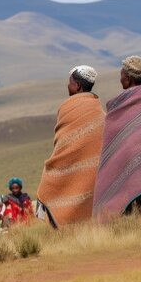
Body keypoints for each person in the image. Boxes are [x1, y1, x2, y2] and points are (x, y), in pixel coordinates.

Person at [92, 56, 141, 222]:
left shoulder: (125, 104)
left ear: (128, 78)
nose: (120, 79)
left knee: (138, 215)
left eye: (122, 76)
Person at [36, 65, 105, 228]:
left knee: (47, 184)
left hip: (86, 170)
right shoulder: (98, 110)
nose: (68, 85)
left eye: (70, 82)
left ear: (78, 86)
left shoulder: (68, 109)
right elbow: (65, 144)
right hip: (93, 172)